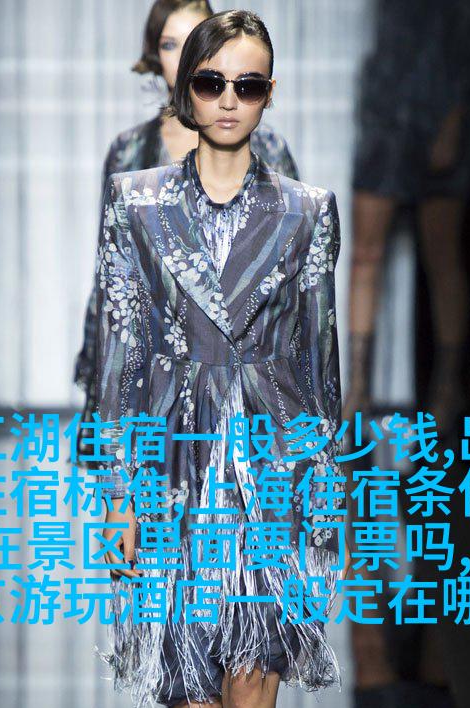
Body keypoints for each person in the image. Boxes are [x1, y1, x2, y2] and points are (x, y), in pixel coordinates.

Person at [93, 10, 350, 708]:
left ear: (268, 94)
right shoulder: (137, 204)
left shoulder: (308, 210)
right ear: (184, 89)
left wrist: (323, 487)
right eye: (213, 82)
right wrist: (119, 488)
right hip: (176, 468)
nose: (230, 100)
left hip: (269, 473)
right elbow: (121, 355)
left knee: (249, 696)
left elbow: (319, 358)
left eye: (249, 84)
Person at [74, 0, 299, 459]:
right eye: (169, 45)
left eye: (194, 41)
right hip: (151, 370)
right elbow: (111, 276)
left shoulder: (269, 150)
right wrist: (102, 386)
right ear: (153, 53)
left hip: (246, 379)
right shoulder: (129, 152)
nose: (181, 58)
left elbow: (290, 281)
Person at [344, 0, 470, 438]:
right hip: (385, 111)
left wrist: (453, 118)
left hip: (440, 112)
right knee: (365, 253)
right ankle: (358, 389)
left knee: (441, 254)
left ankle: (448, 385)